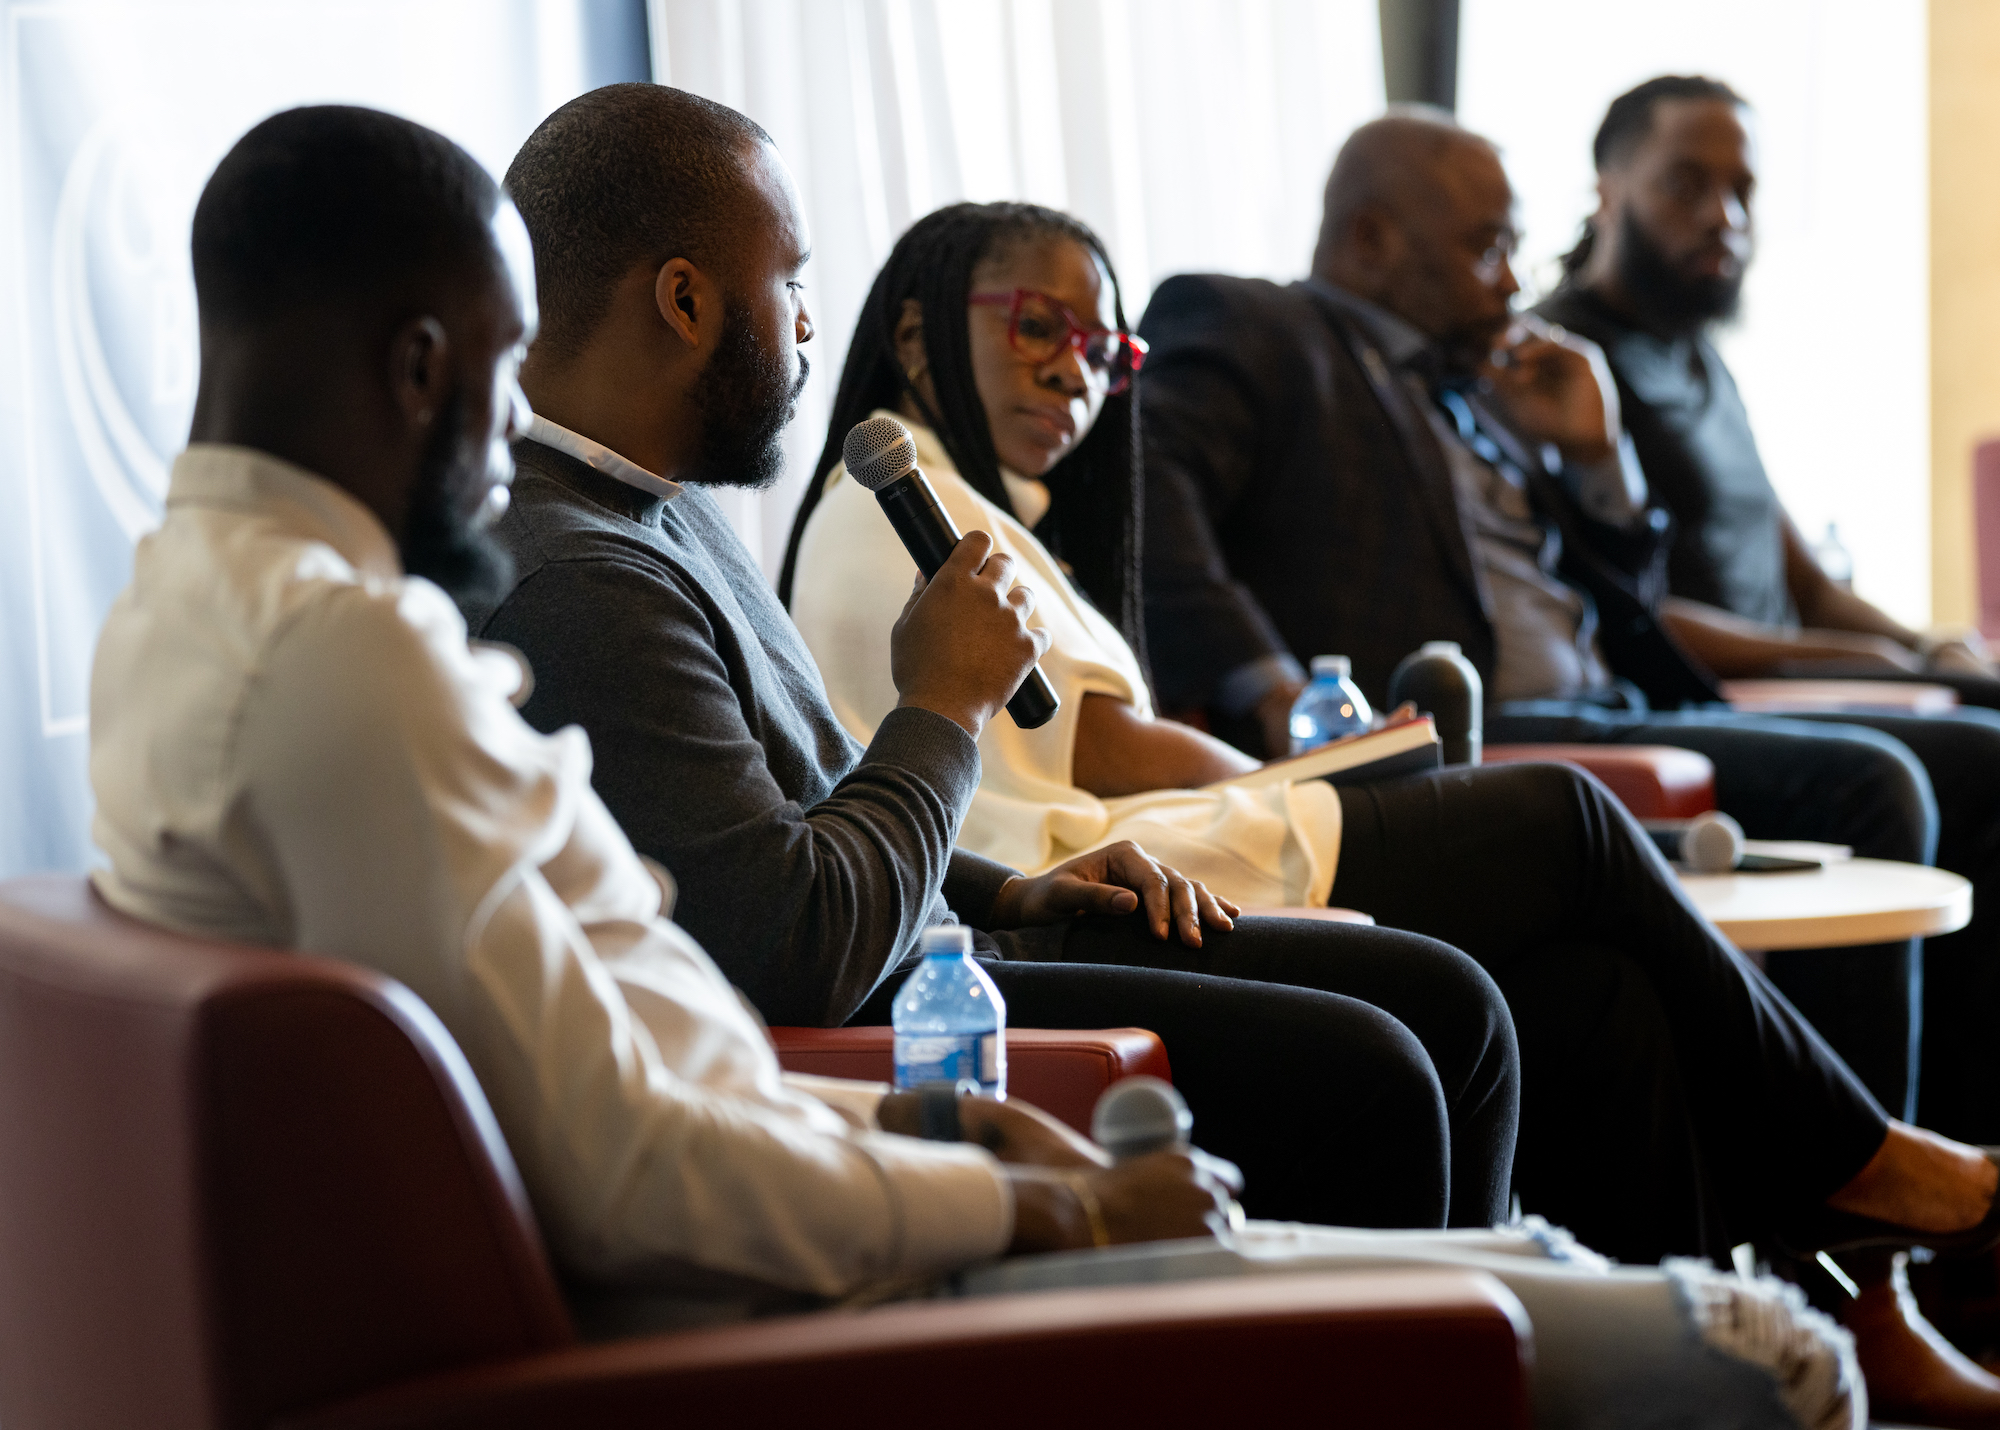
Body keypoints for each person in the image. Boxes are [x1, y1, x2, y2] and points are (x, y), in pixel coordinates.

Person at [84, 102, 1879, 1430]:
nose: (507, 428)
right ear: (424, 363)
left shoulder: (204, 610)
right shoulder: (374, 650)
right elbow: (693, 1082)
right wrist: (1034, 1188)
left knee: (1544, 1106)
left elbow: (649, 1034)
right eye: (496, 369)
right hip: (789, 1300)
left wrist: (973, 1035)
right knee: (1740, 1358)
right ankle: (1820, 1272)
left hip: (843, 1142)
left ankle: (1736, 1272)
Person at [474, 83, 1518, 1234]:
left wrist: (1013, 889)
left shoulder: (660, 511)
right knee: (1376, 1065)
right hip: (879, 1032)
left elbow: (814, 805)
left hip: (933, 944)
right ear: (684, 300)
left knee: (1451, 1002)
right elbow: (791, 946)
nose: (808, 328)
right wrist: (944, 704)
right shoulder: (576, 577)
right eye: (790, 283)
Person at [1135, 106, 2000, 1425]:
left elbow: (1630, 606)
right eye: (1484, 246)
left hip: (1599, 697)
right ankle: (1866, 1239)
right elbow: (1155, 498)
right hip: (1465, 723)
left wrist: (1593, 460)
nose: (1510, 277)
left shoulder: (1488, 390)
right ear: (1368, 239)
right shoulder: (1256, 326)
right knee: (1871, 780)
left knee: (1629, 973)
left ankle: (1777, 1319)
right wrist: (1267, 687)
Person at [1536, 75, 2000, 1147]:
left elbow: (1806, 579)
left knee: (1987, 702)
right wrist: (1861, 665)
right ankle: (1895, 1165)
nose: (1723, 215)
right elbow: (1632, 615)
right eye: (1685, 184)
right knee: (1980, 757)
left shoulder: (1699, 361)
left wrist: (1925, 644)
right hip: (1698, 692)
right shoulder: (1561, 368)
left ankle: (1969, 1145)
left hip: (1788, 672)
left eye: (1740, 189)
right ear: (1607, 188)